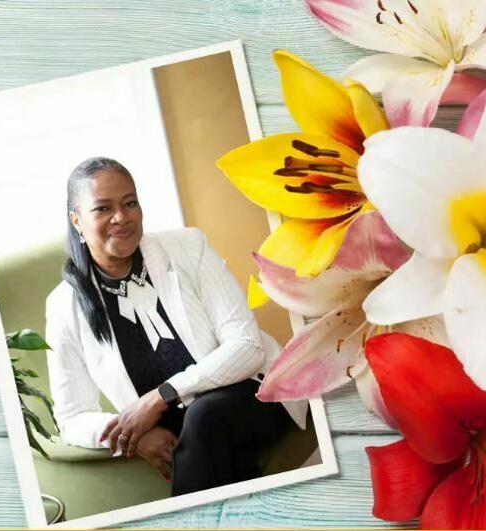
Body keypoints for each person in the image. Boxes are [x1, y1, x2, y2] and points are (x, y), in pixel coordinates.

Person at [44, 157, 307, 496]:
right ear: (77, 221)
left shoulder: (188, 247)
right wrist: (133, 436)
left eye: (130, 203)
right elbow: (72, 417)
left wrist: (161, 395)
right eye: (103, 208)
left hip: (253, 393)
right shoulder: (63, 306)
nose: (121, 217)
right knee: (222, 456)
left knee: (204, 416)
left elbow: (247, 346)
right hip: (189, 433)